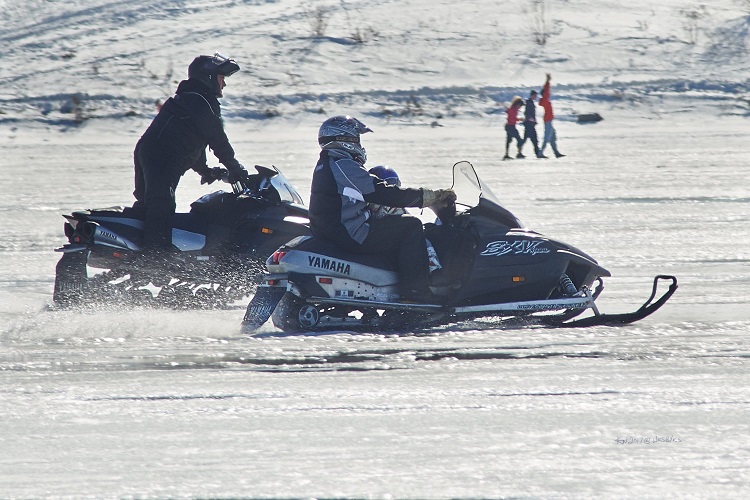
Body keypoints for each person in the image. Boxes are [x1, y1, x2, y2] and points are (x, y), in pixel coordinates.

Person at [309, 116, 456, 300]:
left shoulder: (327, 163)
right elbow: (382, 192)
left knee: (393, 225)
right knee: (410, 226)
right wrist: (428, 197)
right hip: (350, 233)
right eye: (357, 138)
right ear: (346, 139)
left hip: (334, 231)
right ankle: (415, 293)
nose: (360, 144)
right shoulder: (342, 165)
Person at [132, 53, 249, 253]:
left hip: (152, 152)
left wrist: (205, 170)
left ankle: (133, 248)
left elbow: (193, 141)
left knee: (148, 206)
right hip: (162, 156)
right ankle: (154, 259)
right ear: (209, 77)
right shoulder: (200, 102)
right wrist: (235, 169)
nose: (224, 84)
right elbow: (217, 139)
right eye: (221, 78)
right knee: (161, 206)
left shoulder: (191, 99)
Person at [539, 73, 565, 158]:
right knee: (547, 137)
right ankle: (540, 153)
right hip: (548, 120)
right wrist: (548, 81)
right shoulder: (545, 99)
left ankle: (556, 153)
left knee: (552, 137)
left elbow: (546, 91)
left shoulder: (545, 100)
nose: (549, 93)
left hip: (548, 120)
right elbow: (546, 90)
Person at [519, 89, 545, 159]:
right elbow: (527, 113)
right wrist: (531, 119)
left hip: (531, 124)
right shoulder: (529, 103)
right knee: (530, 139)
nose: (536, 97)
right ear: (532, 95)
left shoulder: (531, 102)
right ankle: (520, 152)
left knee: (533, 139)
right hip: (529, 124)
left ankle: (537, 153)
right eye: (535, 95)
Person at [503, 96, 524, 160]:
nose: (520, 107)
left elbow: (509, 114)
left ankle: (506, 154)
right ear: (518, 104)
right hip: (511, 126)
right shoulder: (514, 109)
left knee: (509, 140)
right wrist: (519, 119)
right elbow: (512, 119)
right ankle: (519, 153)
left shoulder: (512, 108)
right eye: (520, 106)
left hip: (509, 126)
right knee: (519, 140)